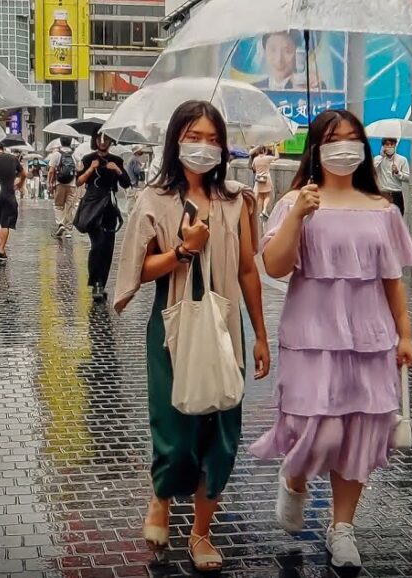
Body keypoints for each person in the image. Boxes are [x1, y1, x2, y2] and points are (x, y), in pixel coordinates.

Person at [249, 109, 412, 571]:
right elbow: (276, 267)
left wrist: (405, 334)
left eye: (351, 138)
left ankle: (342, 526)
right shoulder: (293, 203)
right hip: (310, 337)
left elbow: (392, 280)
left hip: (369, 338)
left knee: (359, 429)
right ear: (317, 148)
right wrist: (298, 215)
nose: (344, 147)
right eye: (333, 138)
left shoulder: (383, 209)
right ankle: (295, 476)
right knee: (321, 427)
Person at [114, 100, 270, 572]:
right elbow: (138, 271)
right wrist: (183, 249)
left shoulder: (237, 200)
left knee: (221, 433)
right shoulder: (154, 200)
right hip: (173, 325)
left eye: (212, 139)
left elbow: (247, 270)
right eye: (194, 136)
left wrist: (261, 334)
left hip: (225, 326)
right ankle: (161, 493)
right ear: (176, 140)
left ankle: (201, 533)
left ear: (224, 146)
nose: (203, 147)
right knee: (177, 429)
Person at [75, 132, 130, 301]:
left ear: (110, 141)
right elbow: (79, 181)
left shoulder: (116, 160)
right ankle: (96, 283)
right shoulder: (88, 158)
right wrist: (91, 167)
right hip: (92, 203)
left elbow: (126, 183)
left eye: (106, 138)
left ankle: (102, 283)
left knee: (108, 246)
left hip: (109, 206)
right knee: (97, 245)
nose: (102, 141)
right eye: (99, 138)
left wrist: (118, 170)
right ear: (94, 140)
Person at [0, 144, 25, 264]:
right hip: (9, 194)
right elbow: (23, 174)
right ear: (3, 148)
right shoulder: (13, 158)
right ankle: (1, 248)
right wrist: (19, 184)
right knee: (5, 223)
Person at [253, 31, 319, 91]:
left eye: (287, 51)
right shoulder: (253, 89)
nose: (279, 59)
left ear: (297, 53)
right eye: (273, 50)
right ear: (265, 53)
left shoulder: (310, 85)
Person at [374, 137, 411, 214]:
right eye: (387, 144)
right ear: (383, 146)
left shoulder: (402, 159)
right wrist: (381, 157)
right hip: (383, 193)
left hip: (396, 194)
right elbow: (372, 170)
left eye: (392, 144)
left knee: (397, 220)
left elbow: (408, 178)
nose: (390, 147)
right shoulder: (378, 159)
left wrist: (398, 173)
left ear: (395, 145)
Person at [48, 146, 77, 238]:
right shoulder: (74, 155)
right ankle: (68, 230)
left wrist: (49, 183)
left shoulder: (57, 154)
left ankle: (61, 224)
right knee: (70, 206)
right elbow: (78, 169)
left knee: (58, 205)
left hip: (59, 183)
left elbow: (51, 171)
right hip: (72, 184)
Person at [251, 145, 278, 219]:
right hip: (267, 179)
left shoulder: (255, 159)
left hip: (258, 180)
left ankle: (259, 213)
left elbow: (253, 168)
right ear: (264, 151)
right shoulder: (267, 158)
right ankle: (264, 210)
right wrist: (275, 147)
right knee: (267, 195)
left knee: (260, 196)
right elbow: (277, 157)